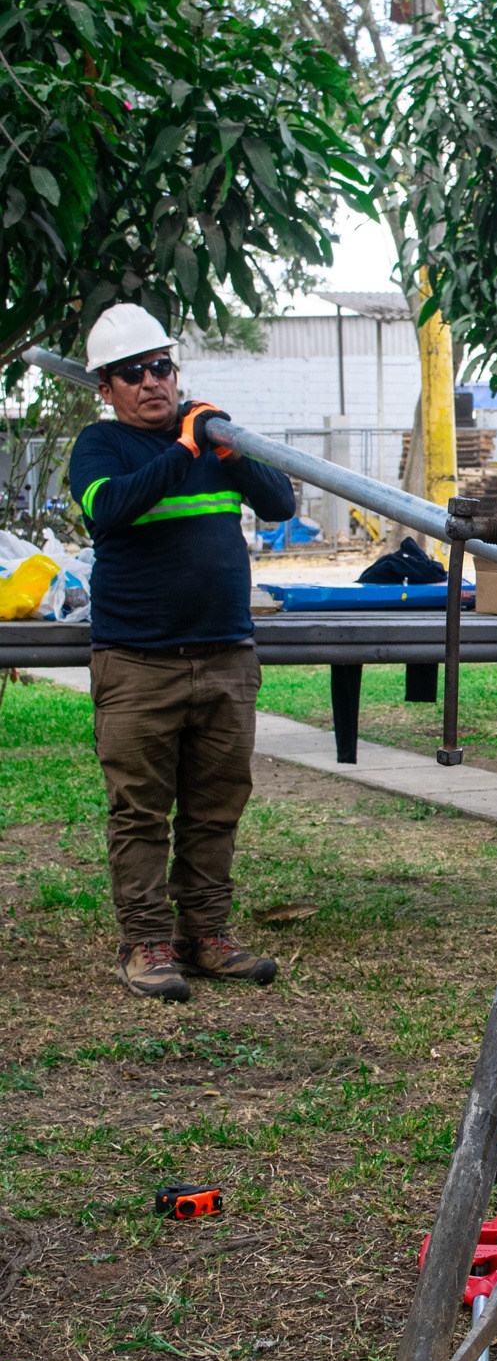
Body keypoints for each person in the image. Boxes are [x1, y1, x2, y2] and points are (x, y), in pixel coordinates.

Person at [68, 304, 298, 1003]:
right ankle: (145, 943)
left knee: (215, 805)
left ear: (175, 369)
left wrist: (229, 446)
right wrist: (188, 449)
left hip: (226, 654)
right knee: (139, 809)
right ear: (106, 389)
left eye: (159, 366)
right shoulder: (101, 448)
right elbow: (110, 510)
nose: (150, 383)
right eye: (130, 374)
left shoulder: (212, 440)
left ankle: (206, 935)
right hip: (139, 661)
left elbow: (280, 503)